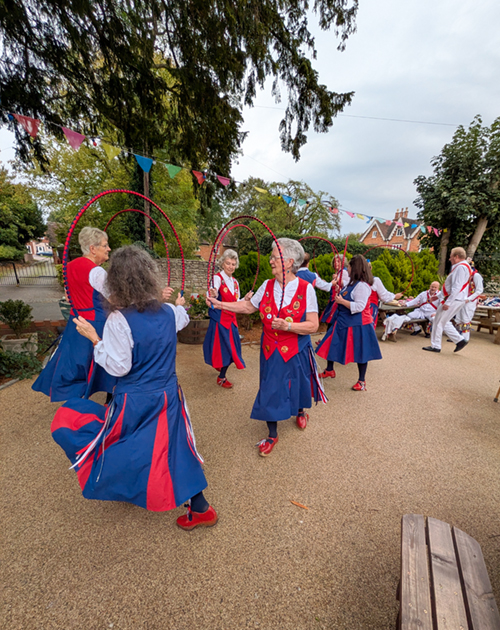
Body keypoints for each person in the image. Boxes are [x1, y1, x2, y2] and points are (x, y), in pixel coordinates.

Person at [50, 246, 217, 531]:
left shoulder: (118, 319)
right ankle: (200, 507)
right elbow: (182, 318)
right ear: (149, 277)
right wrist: (178, 304)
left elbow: (118, 368)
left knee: (124, 446)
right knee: (173, 448)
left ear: (117, 282)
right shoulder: (167, 312)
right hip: (168, 398)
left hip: (136, 402)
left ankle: (140, 489)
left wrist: (94, 339)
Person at [207, 238, 326, 457]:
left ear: (289, 262)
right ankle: (272, 434)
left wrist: (288, 325)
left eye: (274, 256)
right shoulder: (267, 285)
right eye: (271, 256)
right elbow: (247, 306)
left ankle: (300, 411)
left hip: (296, 349)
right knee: (271, 388)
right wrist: (219, 304)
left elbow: (313, 325)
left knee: (298, 384)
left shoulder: (306, 289)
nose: (270, 260)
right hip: (271, 350)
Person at [32, 226, 117, 402]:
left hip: (76, 320)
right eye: (105, 245)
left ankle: (75, 399)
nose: (108, 249)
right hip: (97, 322)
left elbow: (68, 295)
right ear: (93, 249)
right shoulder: (97, 272)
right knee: (105, 359)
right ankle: (111, 398)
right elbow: (114, 299)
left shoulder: (69, 267)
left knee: (76, 360)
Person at [316, 255, 382, 389]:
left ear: (355, 268)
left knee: (361, 352)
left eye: (350, 267)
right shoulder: (352, 284)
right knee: (331, 344)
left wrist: (342, 301)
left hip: (358, 325)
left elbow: (360, 306)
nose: (348, 269)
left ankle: (362, 381)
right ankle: (329, 369)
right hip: (343, 322)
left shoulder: (362, 286)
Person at [203, 249, 246, 389]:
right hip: (220, 322)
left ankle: (221, 371)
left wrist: (246, 299)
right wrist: (213, 293)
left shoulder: (235, 282)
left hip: (231, 321)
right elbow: (211, 295)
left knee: (233, 350)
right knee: (224, 350)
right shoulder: (217, 278)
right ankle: (221, 376)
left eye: (233, 264)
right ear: (223, 263)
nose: (231, 266)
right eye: (228, 263)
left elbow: (237, 301)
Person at [423, 247, 471, 353]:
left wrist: (448, 302)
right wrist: (439, 296)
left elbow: (457, 287)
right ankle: (459, 341)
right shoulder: (462, 266)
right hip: (455, 299)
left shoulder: (460, 268)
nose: (450, 259)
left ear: (457, 257)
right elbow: (451, 286)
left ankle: (436, 346)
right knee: (439, 321)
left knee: (440, 322)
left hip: (454, 299)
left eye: (451, 256)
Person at [453, 260, 484, 342]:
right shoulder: (466, 276)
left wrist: (469, 299)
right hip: (462, 299)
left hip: (470, 301)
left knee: (466, 318)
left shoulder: (476, 276)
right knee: (458, 318)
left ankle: (465, 338)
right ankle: (458, 337)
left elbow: (479, 290)